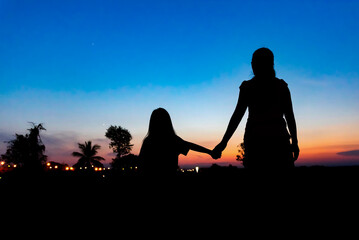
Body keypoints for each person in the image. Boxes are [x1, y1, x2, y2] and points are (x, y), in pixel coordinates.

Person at [212, 48, 299, 168]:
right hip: (273, 141)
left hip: (262, 141)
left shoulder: (252, 87)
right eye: (253, 62)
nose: (253, 65)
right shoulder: (278, 87)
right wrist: (294, 142)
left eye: (255, 62)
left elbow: (237, 116)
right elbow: (290, 116)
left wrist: (223, 142)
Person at [139, 108, 213, 175]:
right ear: (168, 122)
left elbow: (141, 164)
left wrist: (210, 152)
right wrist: (210, 152)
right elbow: (191, 146)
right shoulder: (172, 140)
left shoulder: (148, 141)